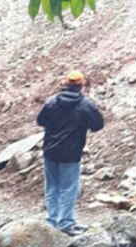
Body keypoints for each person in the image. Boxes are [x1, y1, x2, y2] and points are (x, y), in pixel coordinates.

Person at [36, 70, 105, 236]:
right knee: (69, 188)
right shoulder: (86, 105)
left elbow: (40, 121)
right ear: (81, 85)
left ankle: (52, 220)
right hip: (71, 153)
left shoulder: (51, 102)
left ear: (66, 84)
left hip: (50, 151)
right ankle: (66, 222)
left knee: (52, 186)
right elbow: (98, 125)